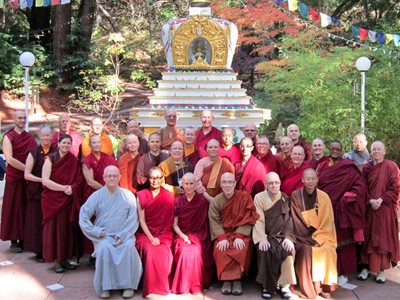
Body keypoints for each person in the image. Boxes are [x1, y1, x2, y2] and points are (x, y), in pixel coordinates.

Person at [79, 166, 143, 299]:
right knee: (104, 249)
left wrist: (123, 235)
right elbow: (83, 215)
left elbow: (133, 218)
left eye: (114, 176)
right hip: (105, 236)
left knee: (128, 247)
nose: (112, 178)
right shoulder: (96, 196)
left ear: (119, 177)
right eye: (109, 176)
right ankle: (104, 286)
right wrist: (95, 231)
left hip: (124, 235)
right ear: (104, 178)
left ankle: (128, 285)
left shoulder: (128, 195)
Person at [318, 141, 367, 286]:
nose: (334, 151)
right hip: (325, 208)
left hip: (342, 209)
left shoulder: (348, 166)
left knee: (343, 242)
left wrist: (349, 195)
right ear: (329, 149)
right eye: (332, 148)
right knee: (327, 241)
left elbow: (361, 186)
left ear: (342, 150)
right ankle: (329, 270)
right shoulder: (323, 165)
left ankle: (344, 273)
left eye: (337, 149)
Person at [209, 172, 259, 296]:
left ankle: (237, 280)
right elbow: (214, 221)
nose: (227, 185)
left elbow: (249, 217)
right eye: (224, 182)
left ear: (235, 183)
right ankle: (226, 280)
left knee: (241, 247)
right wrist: (221, 237)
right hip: (223, 234)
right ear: (220, 184)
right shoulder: (216, 201)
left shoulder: (244, 197)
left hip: (240, 232)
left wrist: (240, 235)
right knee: (220, 249)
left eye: (230, 182)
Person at [291, 168, 337, 299]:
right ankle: (310, 290)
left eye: (313, 178)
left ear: (317, 180)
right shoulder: (296, 195)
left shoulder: (324, 197)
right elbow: (296, 220)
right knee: (306, 250)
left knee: (328, 249)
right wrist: (308, 238)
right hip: (302, 237)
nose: (310, 181)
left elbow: (328, 221)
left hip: (321, 235)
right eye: (308, 179)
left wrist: (318, 238)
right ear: (303, 180)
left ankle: (325, 288)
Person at [42, 134, 84, 273]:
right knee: (55, 231)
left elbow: (79, 180)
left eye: (68, 143)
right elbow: (45, 181)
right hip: (53, 200)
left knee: (66, 230)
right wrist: (64, 188)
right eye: (63, 143)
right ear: (58, 144)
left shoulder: (73, 160)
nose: (66, 145)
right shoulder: (50, 158)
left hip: (68, 200)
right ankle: (56, 261)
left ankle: (64, 259)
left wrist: (72, 189)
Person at [358, 141, 400, 284]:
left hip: (384, 209)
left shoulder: (391, 166)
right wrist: (370, 200)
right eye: (373, 149)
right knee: (367, 236)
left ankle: (381, 270)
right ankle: (365, 267)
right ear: (370, 152)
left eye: (378, 149)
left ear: (384, 151)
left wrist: (381, 200)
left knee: (382, 238)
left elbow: (395, 186)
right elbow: (362, 187)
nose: (376, 151)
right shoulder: (367, 168)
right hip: (369, 208)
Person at [253, 172, 296, 299]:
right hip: (266, 236)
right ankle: (267, 285)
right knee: (265, 250)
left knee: (288, 250)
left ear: (280, 184)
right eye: (270, 183)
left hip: (281, 236)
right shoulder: (259, 198)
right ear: (266, 184)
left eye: (276, 183)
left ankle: (285, 285)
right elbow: (258, 219)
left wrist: (288, 238)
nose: (273, 185)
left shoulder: (284, 198)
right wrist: (261, 238)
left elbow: (289, 220)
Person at [1, 110, 37, 253]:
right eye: (20, 118)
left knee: (25, 207)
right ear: (14, 119)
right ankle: (13, 240)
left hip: (27, 179)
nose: (22, 120)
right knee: (13, 208)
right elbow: (9, 159)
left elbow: (35, 155)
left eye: (24, 118)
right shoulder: (9, 137)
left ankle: (24, 238)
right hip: (15, 177)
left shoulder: (29, 138)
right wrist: (26, 169)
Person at [135, 167, 175, 297]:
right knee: (151, 250)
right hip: (146, 233)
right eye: (152, 178)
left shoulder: (168, 195)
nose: (155, 181)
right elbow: (142, 221)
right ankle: (150, 287)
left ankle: (162, 286)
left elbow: (169, 221)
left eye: (158, 177)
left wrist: (160, 237)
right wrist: (152, 238)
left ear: (162, 179)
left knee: (163, 250)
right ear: (148, 179)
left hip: (164, 233)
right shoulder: (142, 195)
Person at [171, 173, 213, 294]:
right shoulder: (177, 201)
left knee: (195, 251)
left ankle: (195, 285)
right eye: (186, 183)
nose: (188, 186)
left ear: (195, 185)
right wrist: (183, 236)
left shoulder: (202, 201)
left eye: (191, 183)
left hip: (199, 235)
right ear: (182, 185)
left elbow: (205, 223)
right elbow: (175, 225)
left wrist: (193, 237)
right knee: (185, 252)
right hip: (181, 235)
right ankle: (183, 286)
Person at [24, 126, 57, 261]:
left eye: (48, 135)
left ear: (51, 136)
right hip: (37, 191)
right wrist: (42, 180)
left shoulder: (56, 151)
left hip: (52, 191)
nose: (45, 138)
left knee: (50, 222)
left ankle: (52, 249)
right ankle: (39, 251)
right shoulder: (33, 152)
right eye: (43, 135)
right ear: (39, 136)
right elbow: (27, 174)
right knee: (37, 221)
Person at [82, 134, 118, 200]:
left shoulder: (109, 158)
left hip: (110, 192)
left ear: (101, 144)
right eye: (94, 142)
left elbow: (116, 174)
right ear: (90, 145)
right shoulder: (87, 161)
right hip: (93, 194)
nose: (97, 144)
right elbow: (90, 182)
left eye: (99, 142)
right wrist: (106, 191)